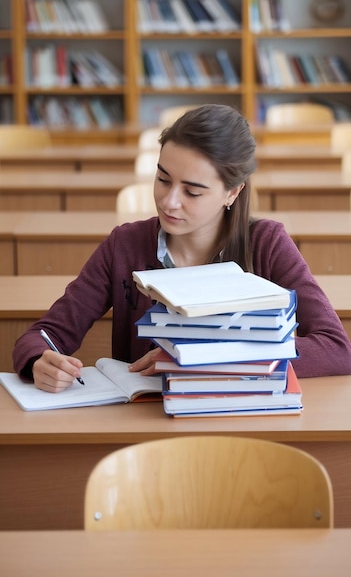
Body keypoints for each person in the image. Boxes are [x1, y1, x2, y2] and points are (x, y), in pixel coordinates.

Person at [13, 104, 351, 392]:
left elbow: (336, 348)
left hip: (243, 419)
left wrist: (199, 358)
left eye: (192, 191)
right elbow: (47, 333)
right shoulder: (125, 245)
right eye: (162, 179)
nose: (169, 201)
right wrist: (39, 359)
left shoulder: (267, 243)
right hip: (144, 422)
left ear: (232, 193)